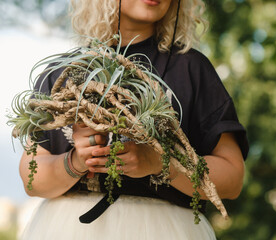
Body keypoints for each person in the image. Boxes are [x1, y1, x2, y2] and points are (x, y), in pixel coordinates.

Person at [19, 0, 249, 239]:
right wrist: (76, 162)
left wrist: (162, 163)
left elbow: (232, 179)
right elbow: (31, 178)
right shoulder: (62, 72)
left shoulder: (192, 68)